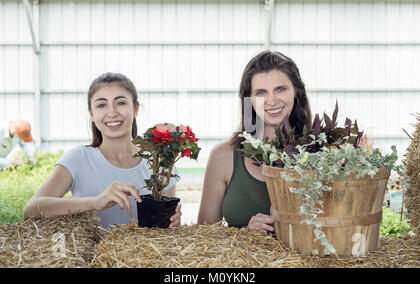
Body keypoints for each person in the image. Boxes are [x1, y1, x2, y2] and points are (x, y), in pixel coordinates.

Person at [24, 73, 182, 229]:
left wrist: (174, 221)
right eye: (101, 105)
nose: (112, 112)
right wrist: (95, 202)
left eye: (120, 103)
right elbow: (31, 210)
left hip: (148, 254)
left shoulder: (159, 160)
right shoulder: (78, 159)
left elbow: (169, 229)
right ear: (91, 114)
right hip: (92, 254)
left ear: (135, 108)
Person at [197, 50, 312, 233]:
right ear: (249, 99)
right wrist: (245, 235)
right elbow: (203, 235)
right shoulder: (223, 156)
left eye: (280, 89)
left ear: (296, 91)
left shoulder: (321, 153)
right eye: (261, 93)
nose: (271, 101)